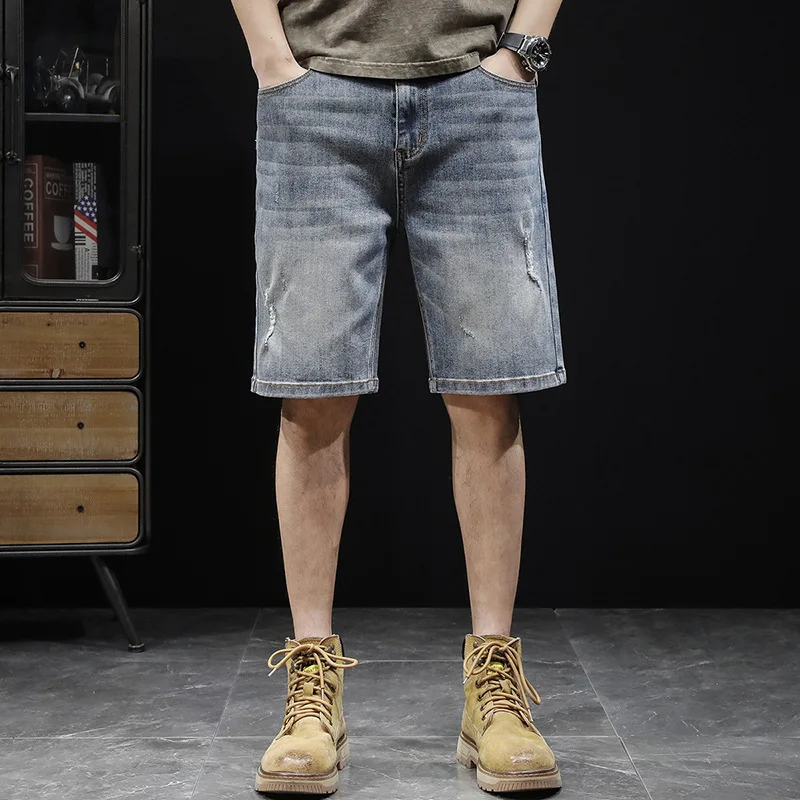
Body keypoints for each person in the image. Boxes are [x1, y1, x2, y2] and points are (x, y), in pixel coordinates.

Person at [229, 0, 567, 794]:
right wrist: (271, 59)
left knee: (487, 393)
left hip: (479, 92)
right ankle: (311, 693)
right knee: (311, 393)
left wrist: (523, 51)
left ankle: (494, 692)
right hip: (316, 92)